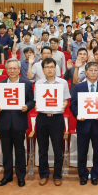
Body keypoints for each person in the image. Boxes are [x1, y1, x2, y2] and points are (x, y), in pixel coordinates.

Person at [70, 61, 98, 186]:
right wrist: (78, 114)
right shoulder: (79, 87)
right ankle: (83, 175)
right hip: (83, 124)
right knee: (82, 152)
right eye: (91, 70)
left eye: (96, 70)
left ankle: (95, 174)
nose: (93, 73)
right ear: (86, 72)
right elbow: (73, 104)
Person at [0, 58, 34, 187]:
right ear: (6, 70)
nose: (12, 71)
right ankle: (7, 175)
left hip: (19, 121)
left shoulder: (26, 84)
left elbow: (32, 101)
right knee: (6, 151)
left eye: (14, 68)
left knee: (19, 150)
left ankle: (20, 176)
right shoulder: (1, 84)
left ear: (19, 70)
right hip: (5, 122)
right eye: (9, 68)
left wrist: (27, 107)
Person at [34, 58, 70, 186]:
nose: (49, 69)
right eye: (47, 67)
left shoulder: (63, 83)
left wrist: (63, 106)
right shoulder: (38, 84)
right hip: (42, 118)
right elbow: (36, 101)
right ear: (43, 70)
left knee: (57, 149)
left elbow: (65, 100)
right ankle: (43, 175)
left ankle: (57, 175)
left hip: (57, 119)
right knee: (42, 149)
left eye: (52, 67)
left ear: (56, 68)